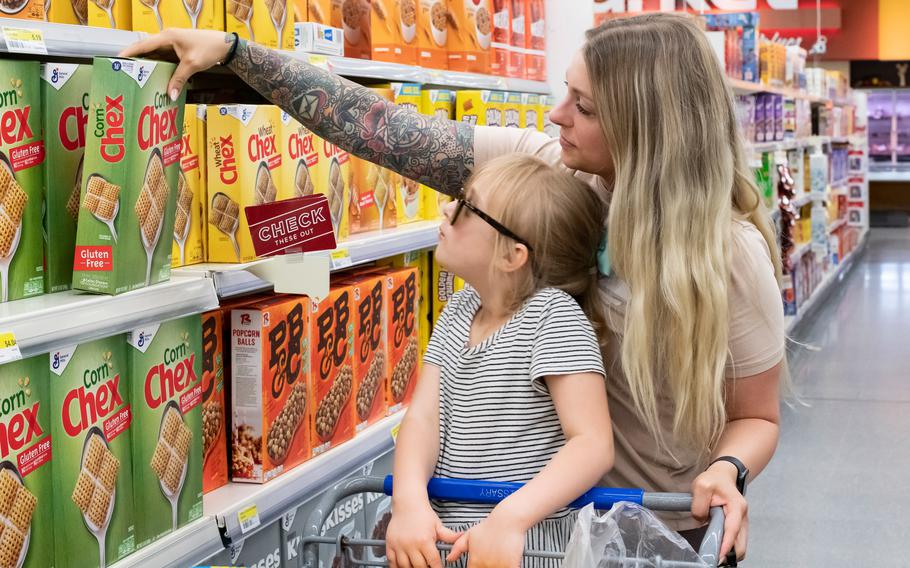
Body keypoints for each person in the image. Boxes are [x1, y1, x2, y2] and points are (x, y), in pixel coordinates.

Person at [122, 10, 784, 562]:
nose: (556, 116)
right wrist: (238, 53)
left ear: (647, 128)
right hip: (521, 524)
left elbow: (756, 414)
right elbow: (386, 133)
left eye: (582, 106)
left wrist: (726, 471)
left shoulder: (728, 256)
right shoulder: (556, 176)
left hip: (648, 528)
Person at [387, 153, 612, 567]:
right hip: (442, 543)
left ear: (513, 256)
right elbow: (423, 418)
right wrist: (409, 502)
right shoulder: (458, 309)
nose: (447, 208)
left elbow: (593, 443)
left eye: (466, 207)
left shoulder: (553, 317)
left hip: (524, 548)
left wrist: (509, 519)